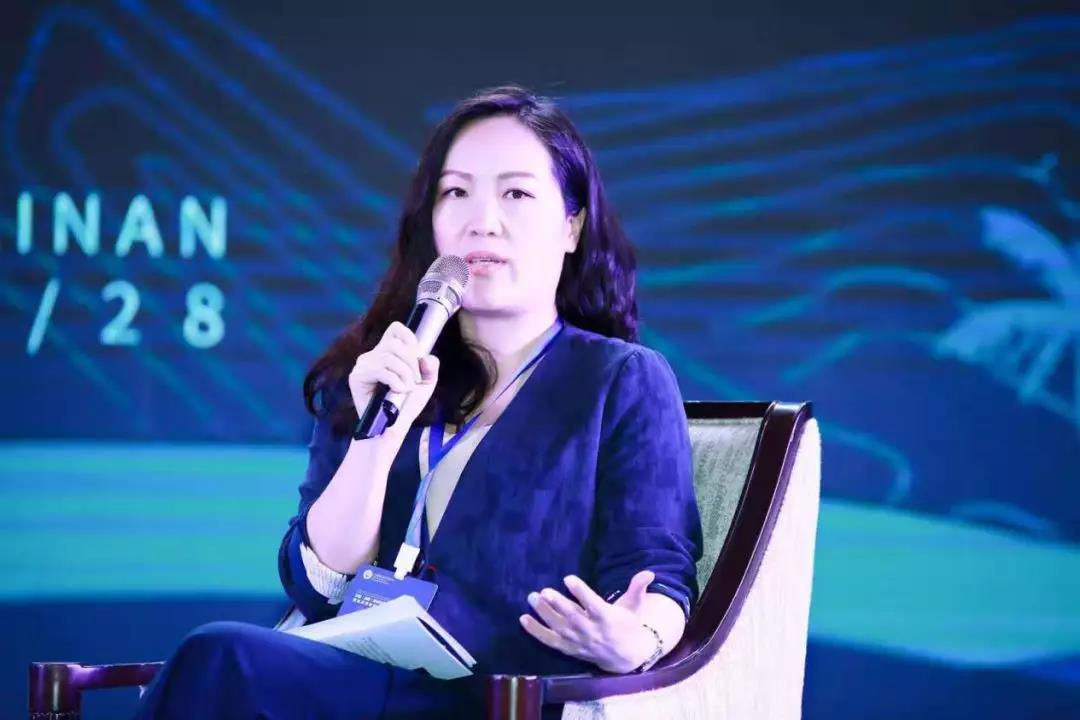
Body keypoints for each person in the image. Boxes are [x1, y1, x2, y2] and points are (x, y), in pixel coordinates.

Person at [132, 85, 702, 720]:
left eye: (516, 194)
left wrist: (638, 637)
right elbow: (316, 589)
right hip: (358, 679)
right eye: (456, 193)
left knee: (222, 660)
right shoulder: (379, 369)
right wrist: (376, 440)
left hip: (495, 695)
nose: (482, 220)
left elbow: (658, 573)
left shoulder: (619, 380)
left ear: (572, 225)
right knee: (224, 662)